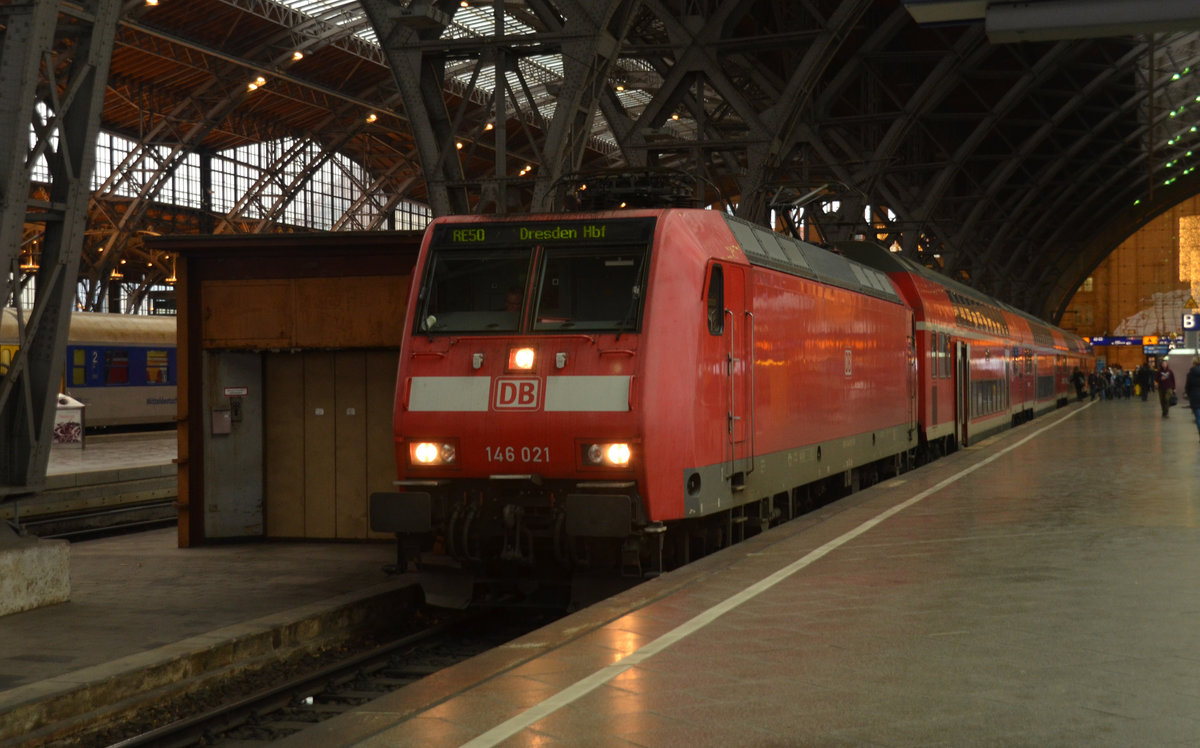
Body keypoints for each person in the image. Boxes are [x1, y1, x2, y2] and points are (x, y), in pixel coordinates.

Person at [1186, 356, 1200, 442]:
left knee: (1198, 418)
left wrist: (1189, 394)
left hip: (1195, 397)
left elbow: (1188, 387)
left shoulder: (1190, 374)